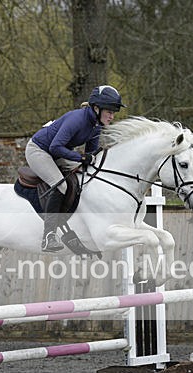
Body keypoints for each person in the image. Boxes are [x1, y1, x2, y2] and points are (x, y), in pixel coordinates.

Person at [25, 85, 126, 252]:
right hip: (39, 150)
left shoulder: (96, 125)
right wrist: (80, 158)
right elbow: (55, 147)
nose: (112, 116)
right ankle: (48, 236)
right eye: (109, 111)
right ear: (96, 108)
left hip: (57, 153)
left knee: (89, 174)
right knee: (61, 185)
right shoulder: (77, 119)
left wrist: (91, 159)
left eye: (114, 112)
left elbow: (90, 154)